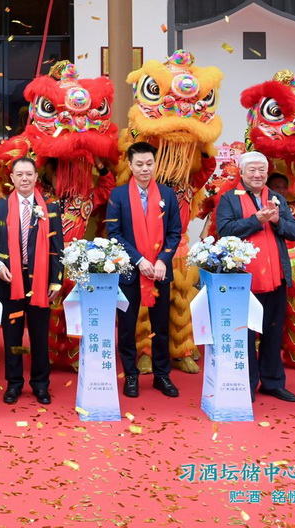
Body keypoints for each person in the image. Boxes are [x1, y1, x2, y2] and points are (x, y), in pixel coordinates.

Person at [216, 151, 295, 402]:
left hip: (276, 277)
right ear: (242, 173)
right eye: (251, 170)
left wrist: (276, 221)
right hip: (244, 279)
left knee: (273, 332)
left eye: (261, 170)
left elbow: (294, 231)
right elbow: (225, 231)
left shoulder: (276, 198)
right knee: (245, 334)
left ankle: (273, 382)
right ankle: (247, 383)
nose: (257, 175)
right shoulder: (229, 198)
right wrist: (255, 220)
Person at [0, 157, 64, 405]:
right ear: (12, 178)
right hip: (9, 281)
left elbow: (57, 247)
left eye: (29, 174)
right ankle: (14, 383)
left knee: (40, 336)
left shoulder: (50, 207)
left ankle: (40, 384)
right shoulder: (0, 207)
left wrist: (56, 281)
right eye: (19, 174)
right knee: (12, 335)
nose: (24, 179)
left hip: (40, 282)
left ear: (36, 177)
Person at [107, 143, 182, 398]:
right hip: (130, 271)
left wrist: (162, 260)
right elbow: (114, 234)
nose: (144, 169)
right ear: (130, 165)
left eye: (149, 163)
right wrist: (139, 260)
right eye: (139, 164)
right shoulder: (118, 195)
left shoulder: (167, 195)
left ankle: (162, 375)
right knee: (127, 327)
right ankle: (131, 374)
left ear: (155, 164)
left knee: (161, 326)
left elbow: (175, 232)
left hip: (159, 271)